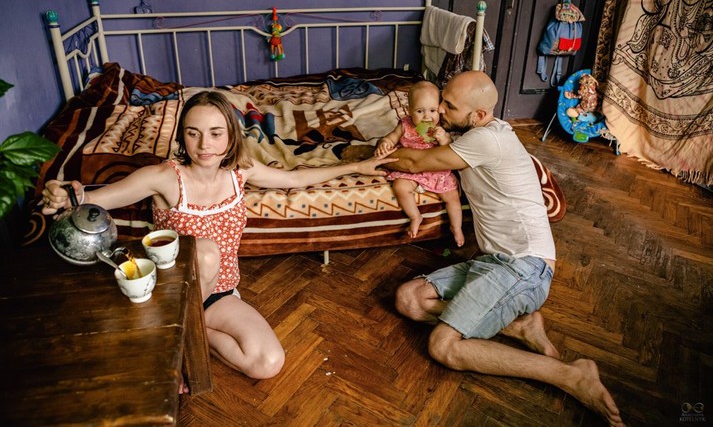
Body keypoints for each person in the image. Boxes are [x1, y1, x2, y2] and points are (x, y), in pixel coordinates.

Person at [41, 90, 395, 386]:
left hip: (218, 293)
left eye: (215, 133)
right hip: (170, 293)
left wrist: (356, 167)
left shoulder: (240, 170)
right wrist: (64, 195)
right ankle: (174, 340)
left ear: (230, 135)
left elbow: (294, 179)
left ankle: (175, 336)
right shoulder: (165, 177)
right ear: (182, 136)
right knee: (206, 251)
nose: (204, 145)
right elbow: (93, 199)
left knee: (268, 362)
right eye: (193, 133)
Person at [384, 72, 624, 427]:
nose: (440, 110)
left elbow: (414, 163)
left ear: (480, 115)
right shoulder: (473, 135)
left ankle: (571, 375)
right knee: (409, 299)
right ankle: (517, 326)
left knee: (443, 345)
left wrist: (380, 151)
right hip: (493, 263)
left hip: (524, 267)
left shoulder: (487, 139)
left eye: (449, 105)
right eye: (442, 100)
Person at [375, 81, 464, 246]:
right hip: (410, 171)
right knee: (400, 187)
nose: (427, 117)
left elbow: (448, 148)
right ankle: (415, 216)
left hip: (435, 170)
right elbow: (391, 138)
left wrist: (443, 139)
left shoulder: (440, 127)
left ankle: (456, 228)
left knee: (453, 197)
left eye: (432, 110)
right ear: (409, 111)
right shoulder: (405, 125)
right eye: (419, 111)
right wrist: (385, 143)